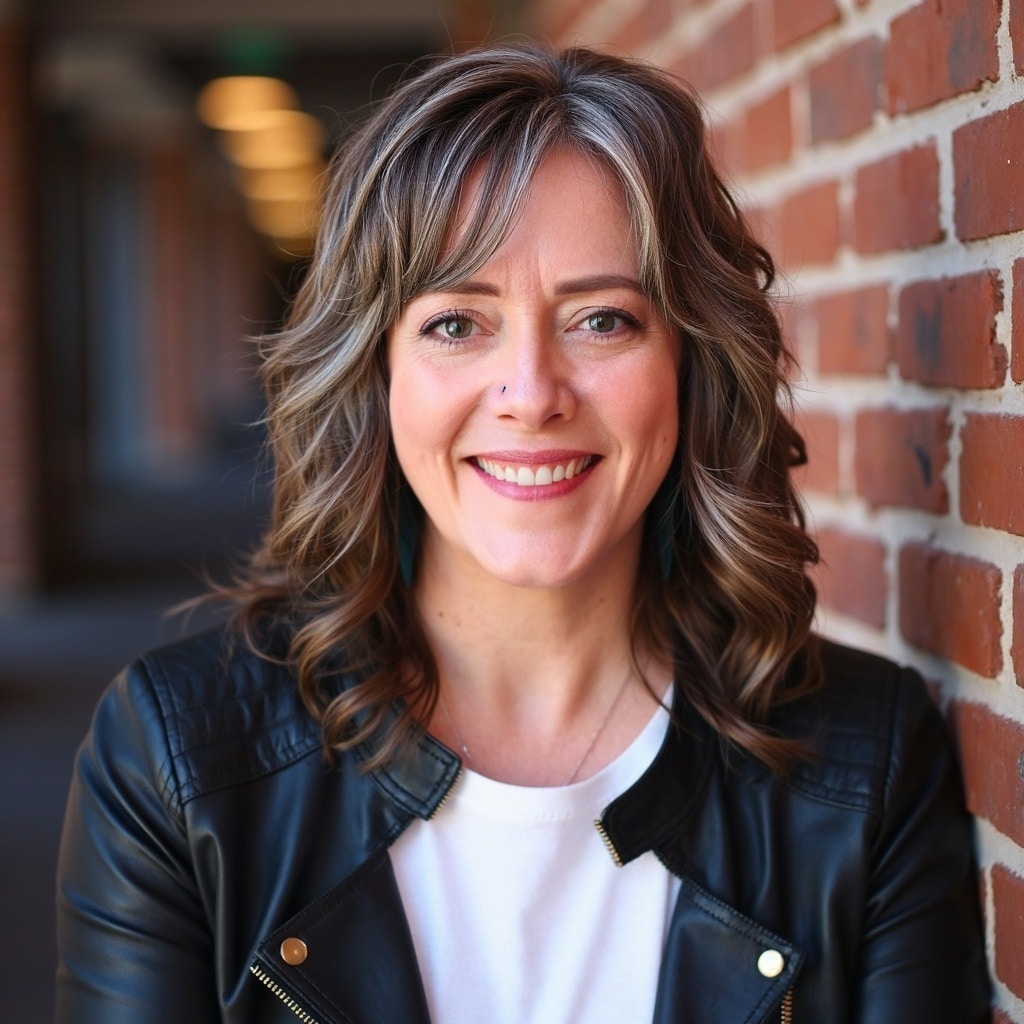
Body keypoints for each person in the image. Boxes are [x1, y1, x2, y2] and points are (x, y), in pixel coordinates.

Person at [56, 42, 989, 1023]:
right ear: (375, 375)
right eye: (458, 324)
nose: (532, 395)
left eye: (601, 320)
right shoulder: (179, 762)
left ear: (691, 362)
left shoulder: (866, 763)